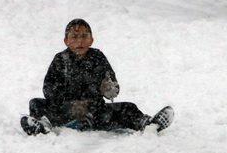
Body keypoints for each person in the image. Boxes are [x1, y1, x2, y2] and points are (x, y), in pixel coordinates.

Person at [20, 19, 174, 135]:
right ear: (66, 41)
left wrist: (110, 89)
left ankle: (147, 124)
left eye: (84, 36)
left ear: (91, 40)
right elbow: (48, 88)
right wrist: (70, 104)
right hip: (65, 112)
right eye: (74, 37)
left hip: (94, 112)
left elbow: (112, 84)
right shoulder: (60, 59)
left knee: (128, 107)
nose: (79, 41)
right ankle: (41, 126)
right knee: (36, 103)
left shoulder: (98, 57)